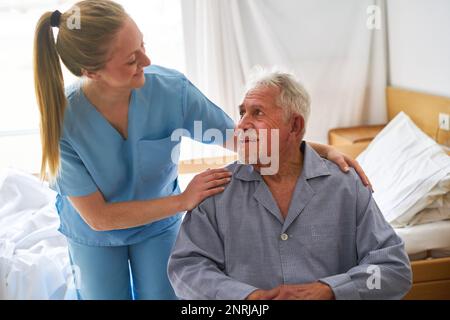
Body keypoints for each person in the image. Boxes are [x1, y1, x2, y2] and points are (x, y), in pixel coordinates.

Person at [33, 0, 371, 300]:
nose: (147, 61)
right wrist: (183, 200)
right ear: (91, 72)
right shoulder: (63, 119)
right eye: (132, 59)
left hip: (157, 226)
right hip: (95, 232)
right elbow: (100, 217)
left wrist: (322, 151)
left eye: (143, 46)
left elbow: (242, 140)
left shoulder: (169, 91)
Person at [168, 70, 412, 300]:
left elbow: (393, 269)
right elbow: (186, 270)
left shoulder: (346, 187)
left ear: (295, 126)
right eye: (242, 112)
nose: (241, 124)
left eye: (257, 113)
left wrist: (330, 290)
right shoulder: (217, 190)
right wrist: (246, 297)